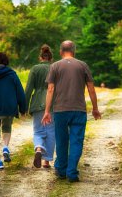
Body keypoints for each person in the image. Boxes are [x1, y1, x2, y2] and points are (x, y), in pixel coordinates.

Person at [42, 40, 101, 182]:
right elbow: (91, 89)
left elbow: (50, 89)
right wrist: (95, 108)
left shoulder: (55, 66)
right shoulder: (83, 65)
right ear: (74, 51)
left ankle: (61, 170)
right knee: (76, 141)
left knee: (61, 140)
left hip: (60, 110)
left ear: (61, 52)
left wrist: (47, 111)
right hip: (79, 110)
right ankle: (72, 173)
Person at [25, 45, 56, 169]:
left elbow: (28, 89)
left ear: (40, 57)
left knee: (38, 130)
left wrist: (24, 106)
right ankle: (46, 161)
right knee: (51, 132)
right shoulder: (55, 67)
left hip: (37, 102)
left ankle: (38, 148)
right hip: (53, 103)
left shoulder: (35, 69)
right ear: (51, 58)